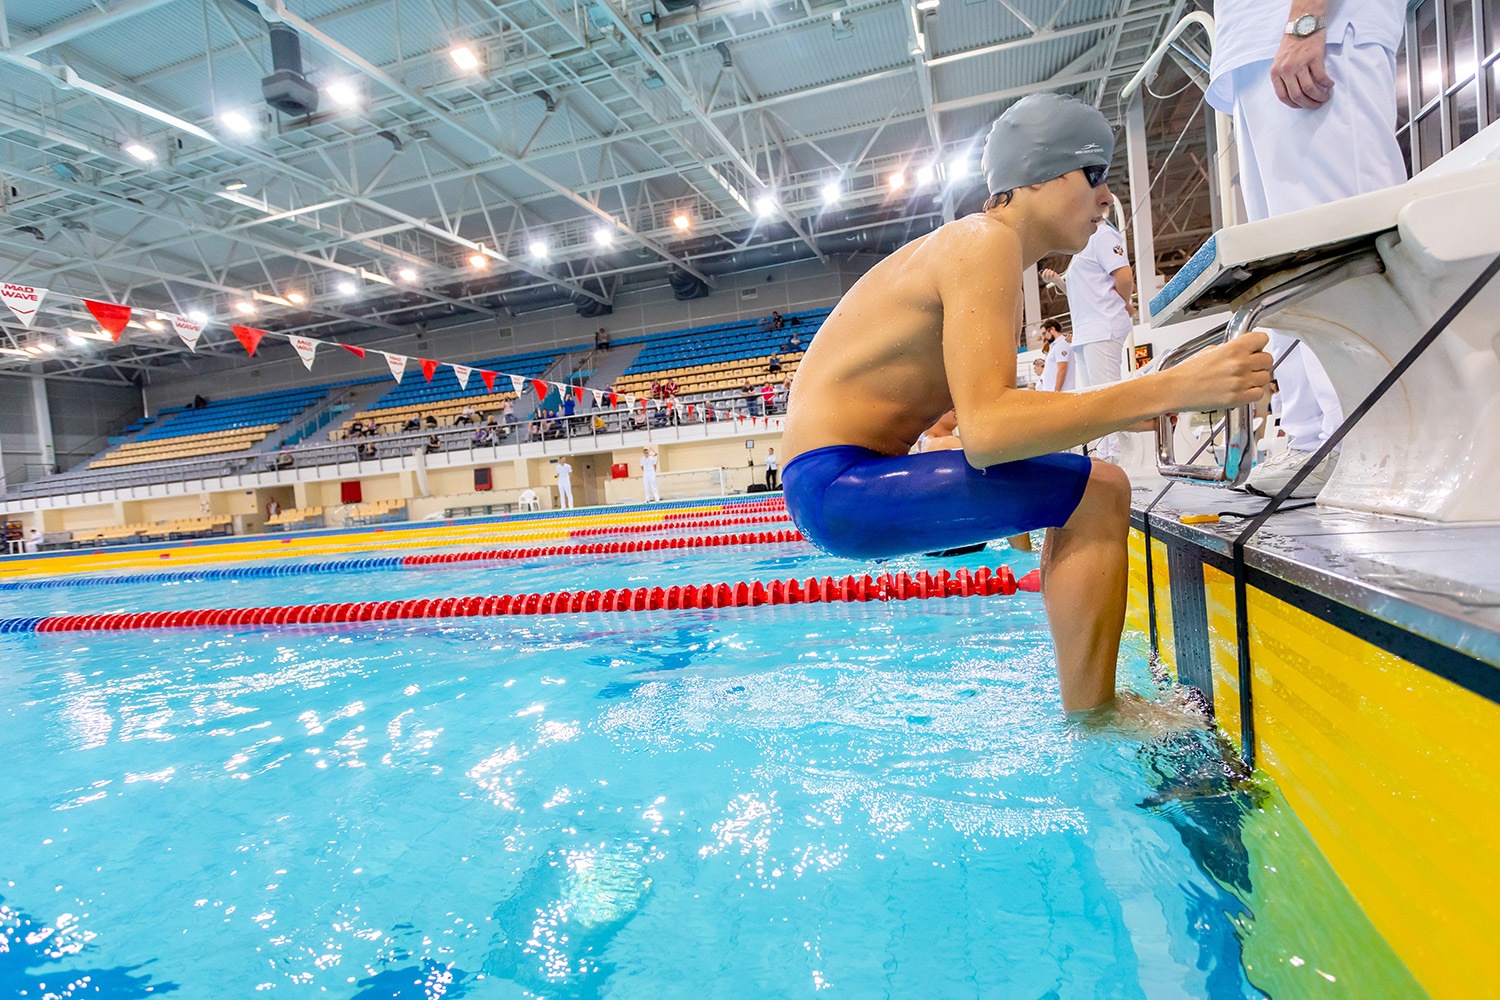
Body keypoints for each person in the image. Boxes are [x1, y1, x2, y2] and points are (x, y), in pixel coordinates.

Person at [778, 92, 1271, 713]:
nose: (1106, 198)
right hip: (839, 484)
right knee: (1100, 491)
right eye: (1094, 176)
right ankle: (1095, 714)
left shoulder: (974, 248)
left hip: (831, 482)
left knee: (1090, 489)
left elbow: (979, 417)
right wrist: (1171, 385)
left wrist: (1126, 403)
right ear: (1044, 174)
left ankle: (1090, 705)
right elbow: (987, 431)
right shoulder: (985, 243)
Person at [1209, 0, 1407, 498]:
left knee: (1341, 244)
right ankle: (1314, 436)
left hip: (1316, 33)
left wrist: (1305, 20)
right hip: (1259, 52)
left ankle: (1370, 437)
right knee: (1285, 264)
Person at [1042, 217, 1134, 463]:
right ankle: (1104, 456)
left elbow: (1124, 277)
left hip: (1103, 327)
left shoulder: (1103, 235)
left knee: (1105, 398)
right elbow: (1077, 290)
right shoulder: (1084, 245)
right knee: (1095, 401)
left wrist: (1124, 304)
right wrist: (1057, 282)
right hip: (1086, 332)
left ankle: (1113, 459)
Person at [1043, 327, 1075, 394]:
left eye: (1044, 333)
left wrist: (1057, 391)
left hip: (1060, 392)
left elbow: (1062, 368)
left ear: (1052, 330)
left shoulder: (1062, 344)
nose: (1044, 337)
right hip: (1051, 391)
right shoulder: (1054, 346)